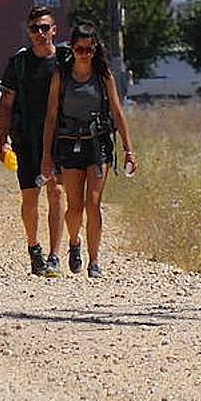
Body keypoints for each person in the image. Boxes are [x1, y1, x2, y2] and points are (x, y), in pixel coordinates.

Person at [40, 21, 135, 278]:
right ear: (72, 48)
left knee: (94, 203)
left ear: (95, 49)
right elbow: (51, 116)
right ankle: (74, 242)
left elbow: (117, 111)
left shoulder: (104, 76)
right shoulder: (62, 75)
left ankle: (94, 261)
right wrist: (47, 154)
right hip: (70, 144)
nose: (84, 53)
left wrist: (128, 149)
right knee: (75, 206)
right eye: (80, 49)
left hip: (98, 144)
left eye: (89, 49)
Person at [0, 5, 67, 277]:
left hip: (61, 137)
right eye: (34, 29)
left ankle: (54, 255)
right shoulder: (19, 64)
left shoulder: (66, 60)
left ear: (54, 30)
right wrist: (3, 141)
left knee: (57, 192)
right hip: (26, 138)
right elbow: (5, 104)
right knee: (30, 197)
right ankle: (34, 247)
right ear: (28, 33)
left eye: (44, 28)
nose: (40, 33)